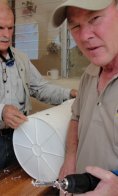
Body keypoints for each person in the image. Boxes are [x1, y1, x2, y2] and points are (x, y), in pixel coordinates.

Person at [0, 2, 77, 179]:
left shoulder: (21, 58)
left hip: (20, 138)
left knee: (19, 185)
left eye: (10, 28)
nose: (6, 34)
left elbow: (40, 88)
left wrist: (69, 94)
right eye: (0, 27)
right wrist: (0, 111)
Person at [52, 0, 118, 195]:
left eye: (95, 18)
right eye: (75, 26)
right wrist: (70, 157)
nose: (84, 36)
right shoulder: (88, 75)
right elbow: (76, 117)